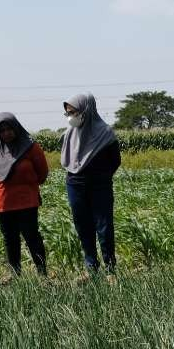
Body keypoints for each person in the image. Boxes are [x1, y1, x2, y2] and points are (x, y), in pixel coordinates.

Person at [61, 93, 121, 281]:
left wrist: (101, 177)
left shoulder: (105, 133)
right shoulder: (69, 135)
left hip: (99, 186)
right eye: (68, 113)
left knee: (104, 227)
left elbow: (115, 161)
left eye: (74, 112)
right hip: (75, 185)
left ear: (86, 110)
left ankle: (110, 270)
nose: (71, 117)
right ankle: (91, 267)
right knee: (82, 226)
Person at [0, 112, 49, 282]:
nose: (6, 133)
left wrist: (27, 186)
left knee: (32, 237)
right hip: (2, 203)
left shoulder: (31, 147)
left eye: (9, 129)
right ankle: (14, 273)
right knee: (9, 239)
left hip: (26, 201)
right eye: (2, 130)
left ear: (17, 128)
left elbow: (42, 173)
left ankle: (43, 275)